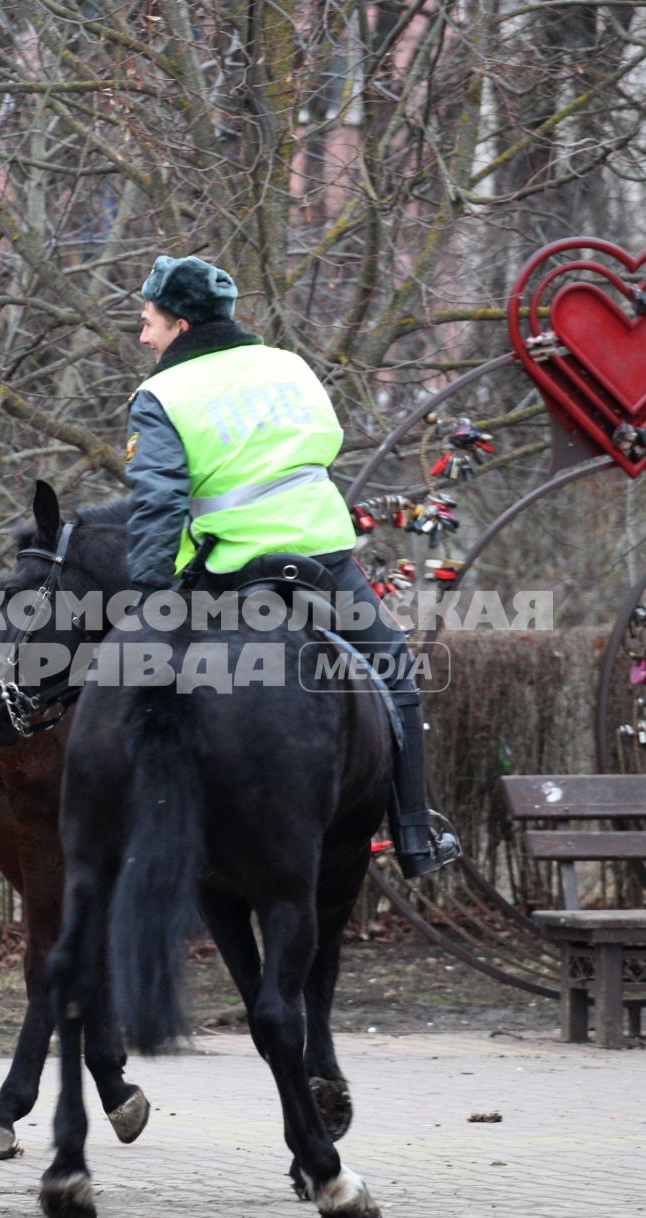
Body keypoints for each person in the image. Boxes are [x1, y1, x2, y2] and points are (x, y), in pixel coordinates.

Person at [123, 253, 461, 878]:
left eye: (149, 323)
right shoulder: (289, 365)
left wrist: (151, 595)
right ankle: (415, 832)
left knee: (140, 689)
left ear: (182, 326)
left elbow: (158, 502)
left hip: (229, 573)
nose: (144, 337)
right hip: (324, 559)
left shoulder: (161, 394)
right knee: (396, 673)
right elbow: (322, 445)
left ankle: (142, 839)